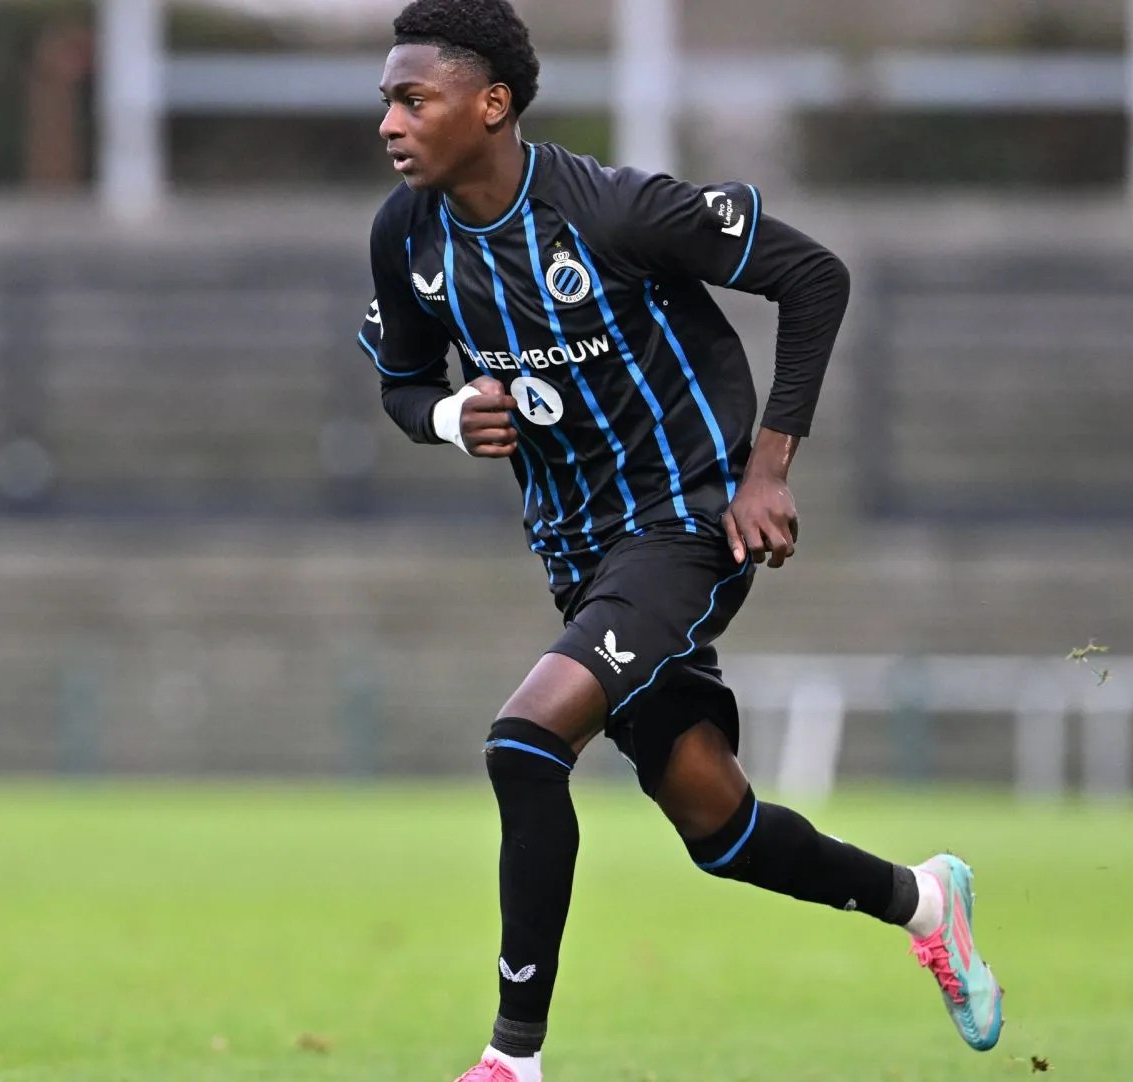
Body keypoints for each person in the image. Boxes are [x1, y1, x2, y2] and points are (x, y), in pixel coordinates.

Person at [352, 3, 1002, 1080]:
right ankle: (926, 898)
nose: (390, 119)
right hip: (576, 553)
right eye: (387, 98)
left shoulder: (615, 209)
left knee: (522, 743)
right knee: (716, 821)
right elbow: (401, 379)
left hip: (685, 521)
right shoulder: (405, 237)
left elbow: (814, 276)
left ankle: (513, 1060)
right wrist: (444, 416)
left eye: (412, 97)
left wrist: (769, 468)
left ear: (492, 104)